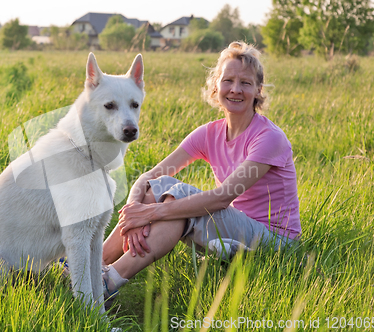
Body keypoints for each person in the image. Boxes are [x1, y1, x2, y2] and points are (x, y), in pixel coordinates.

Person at [100, 41, 301, 302]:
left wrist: (149, 212)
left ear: (258, 90)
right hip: (232, 224)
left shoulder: (268, 138)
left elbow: (221, 198)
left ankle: (106, 282)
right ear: (216, 86)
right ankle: (89, 268)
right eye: (228, 80)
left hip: (275, 241)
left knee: (178, 198)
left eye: (246, 83)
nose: (236, 89)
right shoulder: (210, 133)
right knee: (162, 190)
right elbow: (151, 176)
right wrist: (133, 213)